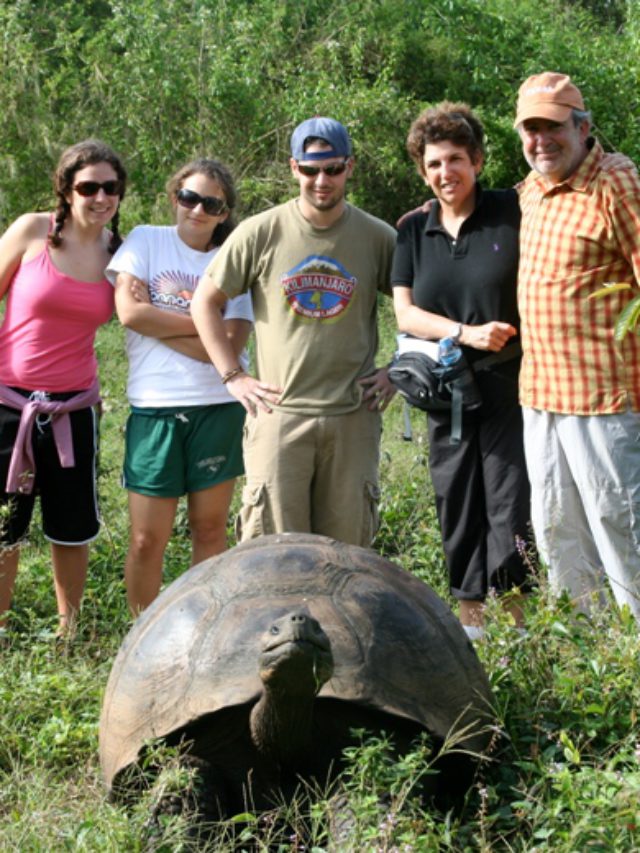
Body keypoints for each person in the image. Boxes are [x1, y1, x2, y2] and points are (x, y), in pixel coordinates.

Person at [190, 117, 396, 547]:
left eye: (333, 169)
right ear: (293, 168)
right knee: (273, 552)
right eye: (310, 169)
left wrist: (399, 370)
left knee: (348, 553)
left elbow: (422, 307)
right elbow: (204, 302)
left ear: (350, 167)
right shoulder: (260, 232)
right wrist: (233, 375)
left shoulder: (378, 237)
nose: (322, 180)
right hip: (279, 416)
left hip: (352, 418)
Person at [391, 103, 533, 638]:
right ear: (422, 169)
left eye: (455, 159)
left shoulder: (511, 211)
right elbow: (404, 313)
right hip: (446, 389)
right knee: (456, 501)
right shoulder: (412, 229)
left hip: (508, 384)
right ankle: (470, 626)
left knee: (509, 504)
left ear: (476, 160)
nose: (445, 172)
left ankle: (517, 629)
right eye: (433, 163)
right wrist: (463, 332)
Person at [514, 72, 640, 620]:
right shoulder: (529, 192)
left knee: (621, 523)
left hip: (607, 397)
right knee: (556, 528)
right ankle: (588, 654)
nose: (541, 140)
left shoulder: (616, 182)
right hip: (540, 394)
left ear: (583, 127)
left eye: (553, 127)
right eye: (530, 129)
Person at [107, 159, 252, 614]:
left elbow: (232, 343)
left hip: (217, 407)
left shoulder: (231, 258)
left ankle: (202, 629)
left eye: (211, 203)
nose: (198, 210)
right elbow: (131, 315)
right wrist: (207, 328)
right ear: (175, 197)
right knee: (148, 539)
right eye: (189, 198)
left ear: (224, 213)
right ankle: (141, 633)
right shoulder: (146, 241)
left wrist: (161, 321)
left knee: (209, 532)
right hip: (155, 410)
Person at [0, 139, 126, 638]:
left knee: (71, 529)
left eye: (110, 187)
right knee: (4, 527)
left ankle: (68, 634)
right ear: (66, 189)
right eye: (88, 186)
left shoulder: (120, 252)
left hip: (74, 410)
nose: (100, 197)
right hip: (8, 402)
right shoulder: (33, 231)